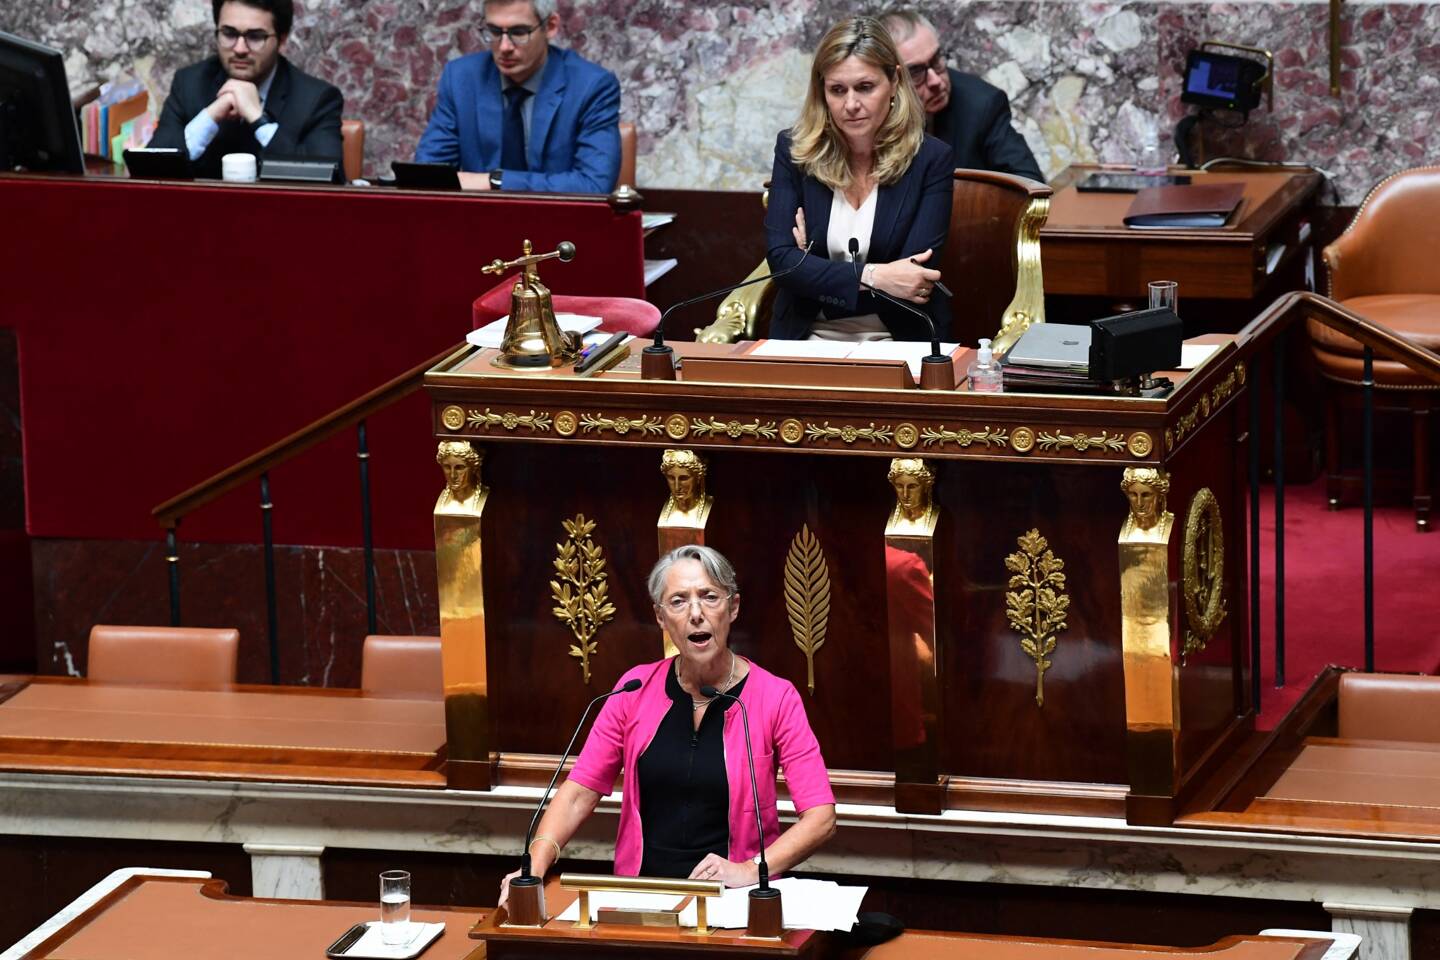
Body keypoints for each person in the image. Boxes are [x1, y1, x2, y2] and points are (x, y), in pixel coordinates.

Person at [500, 545, 836, 899]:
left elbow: (821, 818)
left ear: (733, 607)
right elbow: (578, 793)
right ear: (660, 617)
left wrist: (748, 870)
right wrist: (533, 867)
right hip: (643, 897)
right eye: (678, 601)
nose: (696, 614)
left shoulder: (775, 697)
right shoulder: (633, 690)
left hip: (736, 902)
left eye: (709, 597)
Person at [764, 17, 953, 342]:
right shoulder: (795, 151)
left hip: (900, 338)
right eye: (837, 90)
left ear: (894, 81)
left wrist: (812, 272)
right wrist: (877, 274)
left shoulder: (930, 160)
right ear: (822, 92)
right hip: (806, 337)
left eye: (865, 87)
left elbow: (913, 282)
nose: (851, 104)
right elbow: (782, 264)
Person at [414, 0, 621, 193]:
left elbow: (594, 185)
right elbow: (425, 176)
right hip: (477, 223)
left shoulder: (592, 86)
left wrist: (494, 181)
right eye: (494, 31)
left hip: (557, 226)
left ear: (550, 26)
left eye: (519, 32)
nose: (504, 47)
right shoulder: (461, 78)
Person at [147, 0, 343, 179]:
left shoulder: (317, 99)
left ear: (282, 39)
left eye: (255, 36)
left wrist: (259, 119)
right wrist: (208, 117)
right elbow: (149, 170)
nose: (240, 49)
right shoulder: (190, 83)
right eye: (229, 34)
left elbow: (329, 180)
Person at [879, 7, 1044, 183]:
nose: (936, 81)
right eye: (915, 72)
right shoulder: (870, 113)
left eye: (936, 60)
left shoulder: (981, 105)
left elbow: (1031, 184)